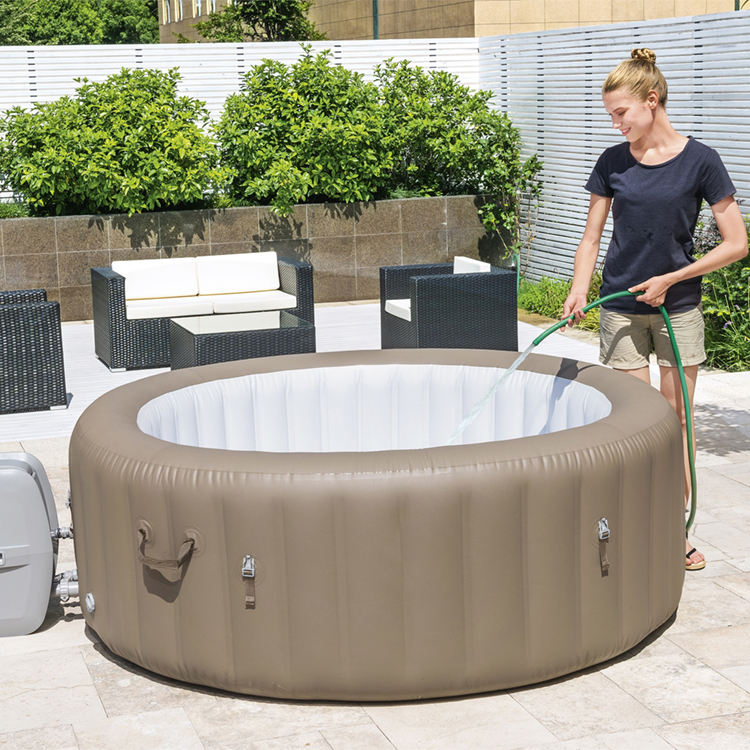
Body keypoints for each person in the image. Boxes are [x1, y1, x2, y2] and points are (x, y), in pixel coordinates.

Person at [562, 48, 748, 571]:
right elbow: (592, 237)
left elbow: (737, 243)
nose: (616, 124)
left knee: (676, 420)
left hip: (678, 309)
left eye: (621, 112)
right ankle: (637, 521)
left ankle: (673, 527)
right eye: (610, 115)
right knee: (635, 420)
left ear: (652, 99)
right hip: (620, 310)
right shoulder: (612, 162)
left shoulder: (701, 160)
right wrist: (579, 288)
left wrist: (674, 278)